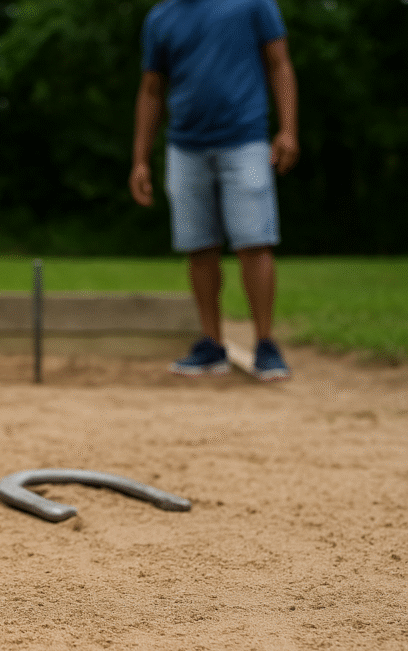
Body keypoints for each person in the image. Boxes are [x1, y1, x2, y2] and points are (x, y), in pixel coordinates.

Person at [129, 0, 299, 381]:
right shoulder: (161, 18)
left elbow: (279, 63)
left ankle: (266, 345)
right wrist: (140, 158)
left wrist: (288, 129)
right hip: (185, 144)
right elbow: (152, 89)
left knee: (254, 240)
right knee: (198, 245)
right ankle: (211, 345)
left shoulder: (253, 3)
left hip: (245, 138)